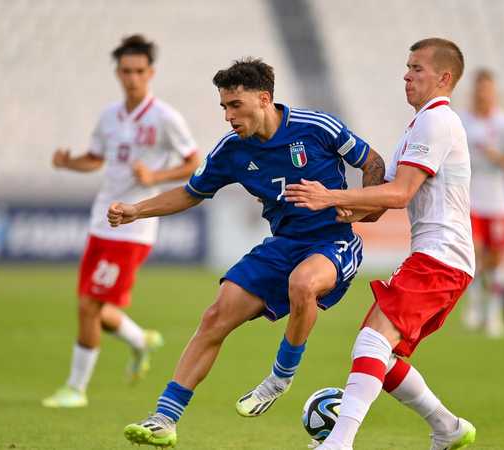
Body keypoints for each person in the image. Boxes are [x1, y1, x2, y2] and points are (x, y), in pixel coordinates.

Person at [108, 57, 386, 448]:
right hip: (282, 245)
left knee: (303, 283)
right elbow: (191, 193)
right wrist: (138, 209)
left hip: (332, 241)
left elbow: (372, 162)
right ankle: (164, 418)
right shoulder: (231, 151)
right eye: (223, 106)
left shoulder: (317, 127)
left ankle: (280, 378)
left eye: (235, 105)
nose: (228, 116)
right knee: (215, 317)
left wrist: (365, 210)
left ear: (264, 99)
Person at [285, 38, 476, 450]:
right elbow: (379, 201)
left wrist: (331, 196)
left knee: (372, 341)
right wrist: (337, 211)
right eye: (407, 67)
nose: (406, 76)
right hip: (439, 259)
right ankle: (447, 427)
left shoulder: (437, 121)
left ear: (444, 78)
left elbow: (401, 194)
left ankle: (339, 442)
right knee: (381, 355)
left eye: (417, 69)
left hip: (440, 257)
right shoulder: (419, 125)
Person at [42, 35, 201, 408]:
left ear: (151, 73)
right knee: (92, 303)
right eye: (126, 71)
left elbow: (194, 162)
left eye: (139, 71)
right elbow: (95, 159)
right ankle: (139, 340)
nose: (132, 78)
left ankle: (76, 389)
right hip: (101, 219)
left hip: (134, 226)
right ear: (118, 73)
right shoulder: (109, 115)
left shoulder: (165, 118)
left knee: (88, 306)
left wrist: (156, 179)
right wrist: (69, 163)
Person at [459, 68, 504, 338]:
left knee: (496, 259)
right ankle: (476, 305)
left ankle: (494, 312)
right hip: (468, 196)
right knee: (472, 252)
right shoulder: (461, 121)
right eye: (479, 89)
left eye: (487, 89)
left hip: (499, 200)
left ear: (493, 92)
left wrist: (497, 157)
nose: (483, 94)